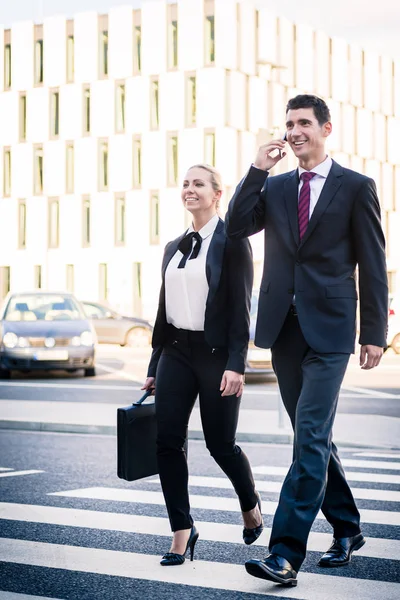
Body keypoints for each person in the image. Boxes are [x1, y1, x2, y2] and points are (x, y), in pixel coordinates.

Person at [225, 95, 388, 587]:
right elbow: (234, 227)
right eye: (289, 124)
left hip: (333, 330)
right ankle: (348, 528)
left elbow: (374, 264)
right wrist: (256, 168)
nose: (294, 131)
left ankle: (285, 553)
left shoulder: (356, 187)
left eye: (303, 123)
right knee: (311, 436)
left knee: (311, 435)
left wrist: (374, 333)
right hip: (285, 331)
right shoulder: (274, 189)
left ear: (326, 128)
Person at [142, 163, 263, 566]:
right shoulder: (173, 246)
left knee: (220, 445)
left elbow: (240, 310)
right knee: (167, 443)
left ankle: (250, 504)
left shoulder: (233, 241)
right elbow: (165, 310)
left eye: (198, 184)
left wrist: (237, 364)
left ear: (217, 194)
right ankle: (181, 529)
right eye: (185, 184)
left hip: (216, 356)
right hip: (175, 352)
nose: (190, 190)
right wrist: (154, 363)